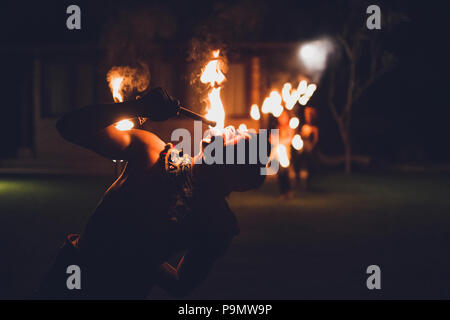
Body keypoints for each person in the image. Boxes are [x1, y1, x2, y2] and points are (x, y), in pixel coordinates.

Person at [37, 88, 269, 299]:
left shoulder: (218, 224)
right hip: (72, 276)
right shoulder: (152, 151)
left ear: (239, 176)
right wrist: (136, 108)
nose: (231, 128)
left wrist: (140, 259)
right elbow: (69, 126)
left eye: (242, 137)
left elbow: (181, 283)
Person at [298, 106, 319, 188]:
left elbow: (316, 140)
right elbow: (300, 137)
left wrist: (311, 147)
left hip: (310, 150)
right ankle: (299, 181)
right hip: (303, 149)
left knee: (310, 166)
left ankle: (308, 183)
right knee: (301, 164)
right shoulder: (304, 127)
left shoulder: (314, 129)